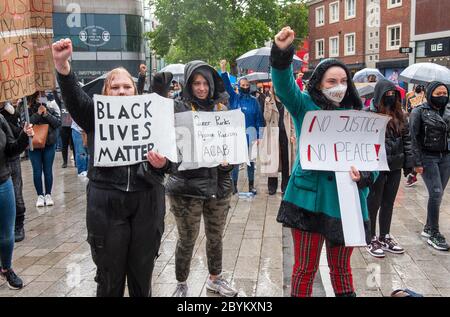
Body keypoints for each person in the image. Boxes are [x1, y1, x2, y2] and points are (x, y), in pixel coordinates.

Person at [52, 38, 171, 297]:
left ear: (135, 91)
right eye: (114, 86)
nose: (121, 91)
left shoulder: (154, 115)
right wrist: (63, 66)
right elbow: (75, 99)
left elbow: (173, 156)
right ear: (106, 93)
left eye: (127, 86)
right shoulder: (94, 113)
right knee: (108, 279)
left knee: (142, 278)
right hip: (106, 203)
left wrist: (163, 164)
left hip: (146, 200)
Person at [271, 27, 378, 297]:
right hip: (309, 201)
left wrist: (365, 175)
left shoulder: (358, 115)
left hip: (347, 203)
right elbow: (284, 88)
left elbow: (372, 160)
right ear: (319, 83)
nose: (339, 86)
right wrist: (282, 54)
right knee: (304, 269)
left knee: (341, 270)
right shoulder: (305, 106)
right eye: (332, 81)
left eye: (343, 80)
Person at [166, 60, 238, 298]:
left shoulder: (222, 109)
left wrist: (229, 164)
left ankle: (215, 279)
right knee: (187, 239)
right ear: (188, 84)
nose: (201, 88)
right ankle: (181, 283)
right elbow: (166, 144)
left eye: (205, 83)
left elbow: (232, 147)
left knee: (215, 237)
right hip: (186, 188)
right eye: (196, 83)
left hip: (218, 185)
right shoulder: (176, 109)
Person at [365, 79, 414, 258]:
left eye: (393, 95)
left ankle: (384, 235)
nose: (391, 98)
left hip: (395, 165)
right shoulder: (369, 114)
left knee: (388, 202)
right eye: (387, 95)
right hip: (377, 166)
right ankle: (369, 237)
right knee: (374, 202)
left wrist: (409, 164)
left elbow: (407, 140)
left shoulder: (400, 115)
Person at [410, 81, 450, 251]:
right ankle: (434, 233)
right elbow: (413, 137)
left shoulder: (448, 111)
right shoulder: (419, 111)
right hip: (428, 157)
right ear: (430, 94)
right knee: (436, 193)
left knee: (438, 195)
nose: (442, 96)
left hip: (446, 157)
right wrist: (416, 163)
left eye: (444, 93)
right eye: (438, 93)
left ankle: (428, 226)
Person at [220, 60, 264, 195]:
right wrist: (223, 70)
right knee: (235, 163)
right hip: (236, 136)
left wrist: (259, 136)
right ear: (238, 86)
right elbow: (227, 85)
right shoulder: (234, 98)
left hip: (251, 136)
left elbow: (259, 119)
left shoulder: (254, 101)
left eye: (247, 85)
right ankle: (234, 186)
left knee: (251, 162)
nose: (245, 86)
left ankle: (251, 186)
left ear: (249, 86)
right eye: (242, 85)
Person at [0, 111, 34, 289]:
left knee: (6, 235)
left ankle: (6, 269)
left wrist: (23, 137)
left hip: (3, 183)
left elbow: (11, 149)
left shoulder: (0, 119)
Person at [28, 91, 61, 208]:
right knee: (37, 171)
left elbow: (58, 123)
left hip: (49, 143)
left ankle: (48, 194)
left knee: (48, 170)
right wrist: (37, 114)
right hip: (34, 144)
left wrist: (46, 114)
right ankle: (40, 195)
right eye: (39, 95)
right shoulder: (27, 107)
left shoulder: (52, 105)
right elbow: (26, 123)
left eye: (43, 95)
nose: (41, 97)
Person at [0, 101, 27, 242]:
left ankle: (18, 225)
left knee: (16, 193)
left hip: (11, 158)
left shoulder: (10, 112)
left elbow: (16, 134)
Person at [261, 87, 296, 195]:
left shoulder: (288, 101)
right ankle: (272, 186)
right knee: (273, 161)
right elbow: (266, 118)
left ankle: (285, 186)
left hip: (286, 134)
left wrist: (293, 134)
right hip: (273, 134)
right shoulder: (268, 101)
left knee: (286, 161)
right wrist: (268, 105)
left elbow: (292, 120)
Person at [404, 85, 426, 187]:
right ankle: (413, 174)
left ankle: (413, 174)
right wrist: (411, 109)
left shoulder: (425, 96)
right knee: (415, 149)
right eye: (417, 85)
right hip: (412, 123)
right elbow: (407, 108)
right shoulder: (410, 96)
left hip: (424, 126)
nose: (419, 87)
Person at [54, 90, 75, 168]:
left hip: (72, 127)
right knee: (64, 146)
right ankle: (65, 162)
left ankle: (76, 161)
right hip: (64, 128)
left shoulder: (73, 105)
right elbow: (56, 98)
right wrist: (53, 91)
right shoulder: (61, 104)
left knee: (74, 146)